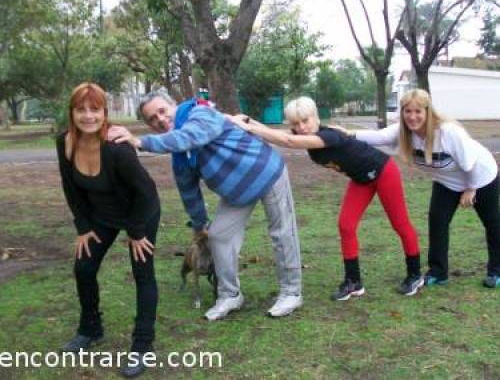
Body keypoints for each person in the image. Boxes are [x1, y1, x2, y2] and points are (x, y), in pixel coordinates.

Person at [108, 91, 303, 321]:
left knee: (282, 234)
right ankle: (230, 295)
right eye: (152, 119)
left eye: (162, 111)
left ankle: (291, 292)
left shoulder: (200, 113)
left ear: (174, 105)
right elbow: (189, 192)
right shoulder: (179, 157)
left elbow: (190, 137)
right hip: (236, 193)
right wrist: (199, 225)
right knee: (218, 236)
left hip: (267, 172)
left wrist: (140, 142)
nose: (159, 119)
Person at [230, 96, 423, 300]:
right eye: (296, 123)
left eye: (306, 121)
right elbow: (281, 134)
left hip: (384, 172)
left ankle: (415, 274)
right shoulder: (304, 134)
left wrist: (248, 128)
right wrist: (248, 121)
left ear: (315, 117)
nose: (302, 127)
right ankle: (353, 282)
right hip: (361, 179)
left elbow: (287, 140)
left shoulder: (329, 136)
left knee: (400, 224)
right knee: (346, 225)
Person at [56, 83, 161, 378]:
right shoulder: (64, 141)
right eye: (81, 109)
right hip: (101, 216)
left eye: (95, 109)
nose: (88, 116)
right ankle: (90, 329)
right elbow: (70, 188)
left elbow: (146, 191)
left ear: (105, 112)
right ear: (72, 112)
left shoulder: (117, 149)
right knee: (84, 268)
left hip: (139, 213)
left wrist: (137, 232)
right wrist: (83, 226)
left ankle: (142, 346)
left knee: (143, 274)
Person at [355, 88, 500, 288]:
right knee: (437, 221)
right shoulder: (404, 132)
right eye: (407, 111)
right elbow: (377, 137)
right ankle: (438, 272)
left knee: (492, 223)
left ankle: (496, 270)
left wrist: (471, 188)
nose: (412, 117)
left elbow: (470, 162)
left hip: (480, 176)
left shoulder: (448, 132)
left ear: (427, 112)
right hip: (447, 182)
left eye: (418, 111)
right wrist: (341, 135)